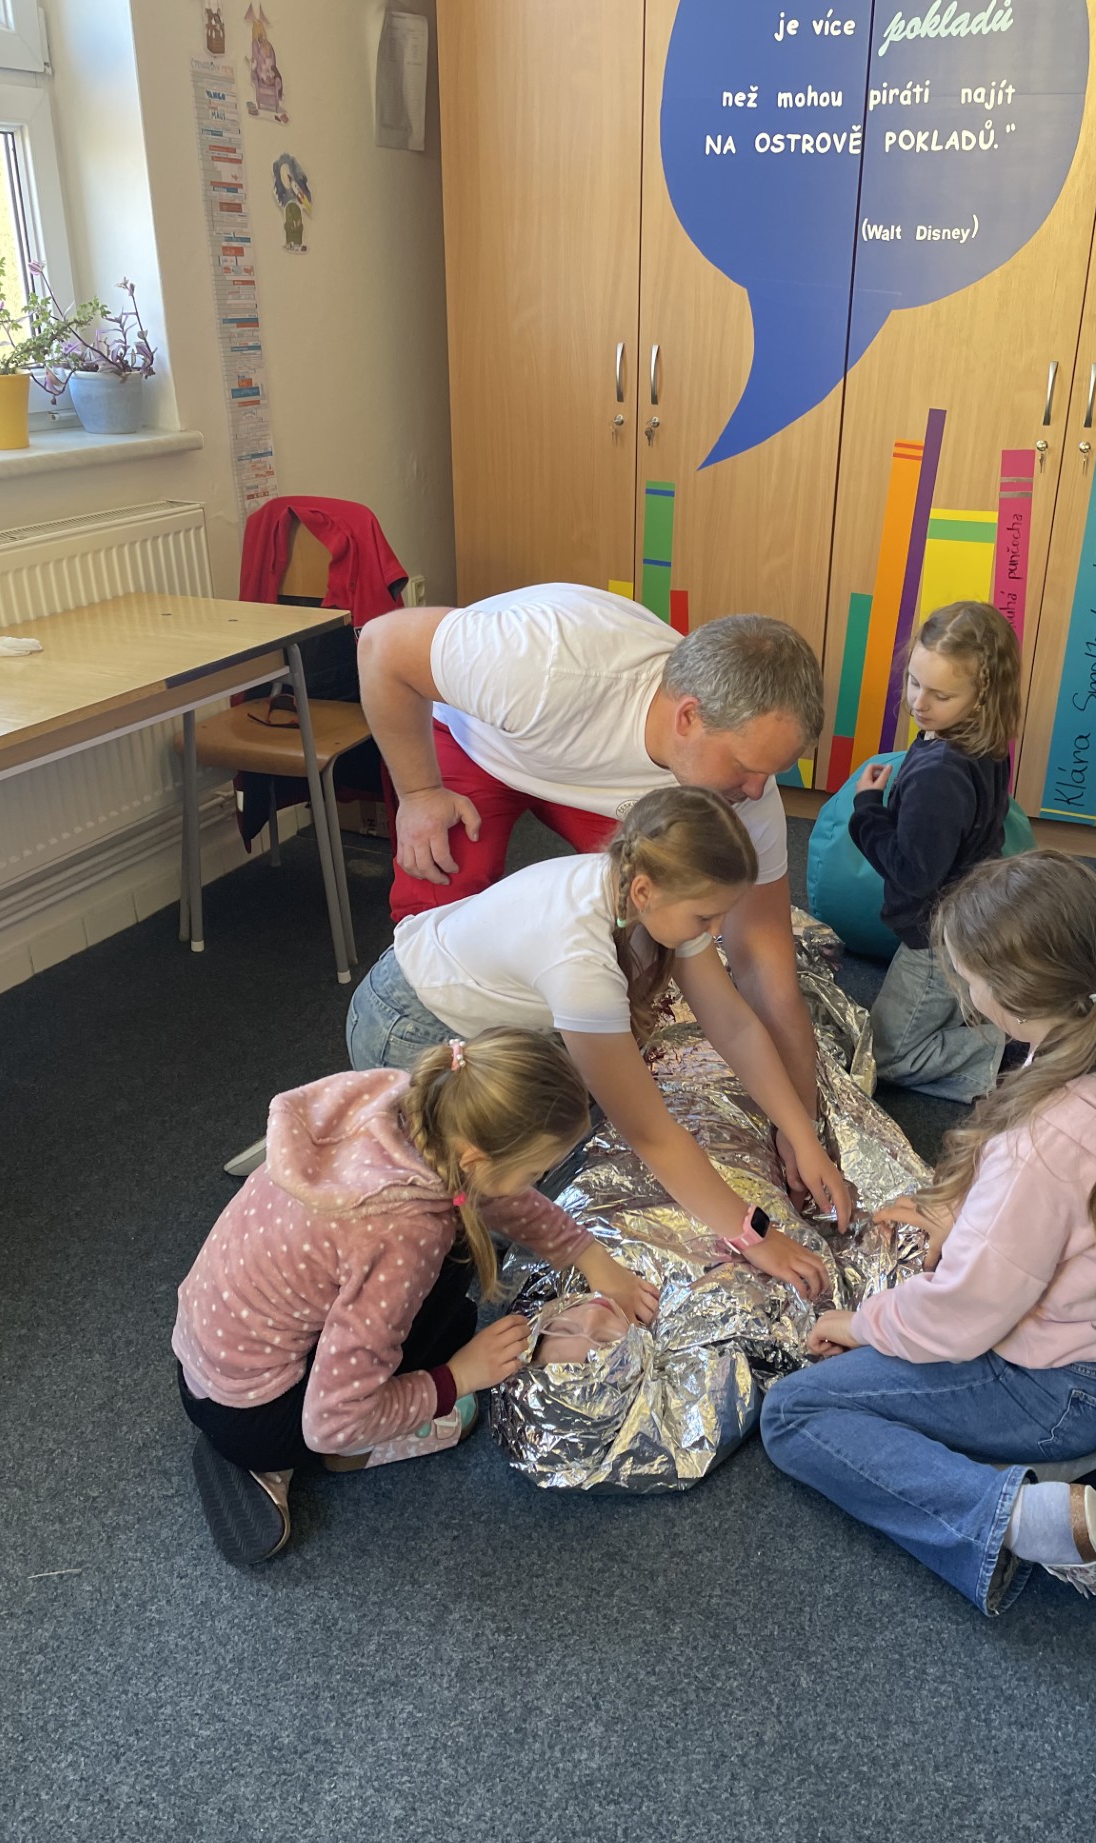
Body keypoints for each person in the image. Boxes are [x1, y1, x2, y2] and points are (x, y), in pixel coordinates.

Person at [760, 851, 1096, 1614]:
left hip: (1059, 1388)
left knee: (795, 1414)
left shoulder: (1044, 1143)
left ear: (1009, 993)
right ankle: (1058, 1455)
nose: (964, 991)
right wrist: (963, 1212)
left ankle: (1014, 1514)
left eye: (966, 978)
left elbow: (961, 1316)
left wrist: (861, 1325)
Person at [346, 787, 853, 1295]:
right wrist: (755, 1235)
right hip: (409, 1025)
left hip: (469, 1003)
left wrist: (803, 1138)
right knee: (496, 1192)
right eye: (705, 918)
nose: (716, 929)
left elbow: (734, 1025)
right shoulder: (580, 962)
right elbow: (651, 1135)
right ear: (645, 893)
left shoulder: (648, 889)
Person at [357, 583, 827, 1124]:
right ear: (688, 718)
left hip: (591, 779)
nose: (757, 789)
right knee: (441, 875)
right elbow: (381, 645)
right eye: (745, 767)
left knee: (646, 917)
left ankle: (571, 1034)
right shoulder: (543, 664)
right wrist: (419, 794)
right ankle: (425, 1063)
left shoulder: (749, 792)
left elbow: (764, 961)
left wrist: (801, 1121)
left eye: (772, 772)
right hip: (486, 743)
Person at [174, 1029, 645, 1566]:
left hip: (201, 1359)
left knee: (456, 1261)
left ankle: (286, 1432)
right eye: (533, 1171)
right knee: (455, 1304)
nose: (532, 1181)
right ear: (476, 1157)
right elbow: (331, 1422)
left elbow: (485, 1190)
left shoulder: (410, 1103)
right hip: (257, 1418)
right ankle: (286, 1462)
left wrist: (589, 1255)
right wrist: (458, 1377)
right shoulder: (403, 1229)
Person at [848, 600, 1022, 1102]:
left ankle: (1006, 1051)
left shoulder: (940, 775)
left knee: (885, 1057)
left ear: (983, 698)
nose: (919, 703)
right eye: (914, 683)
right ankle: (984, 1016)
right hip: (969, 919)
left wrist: (867, 810)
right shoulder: (978, 740)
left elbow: (912, 874)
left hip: (936, 938)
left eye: (940, 694)